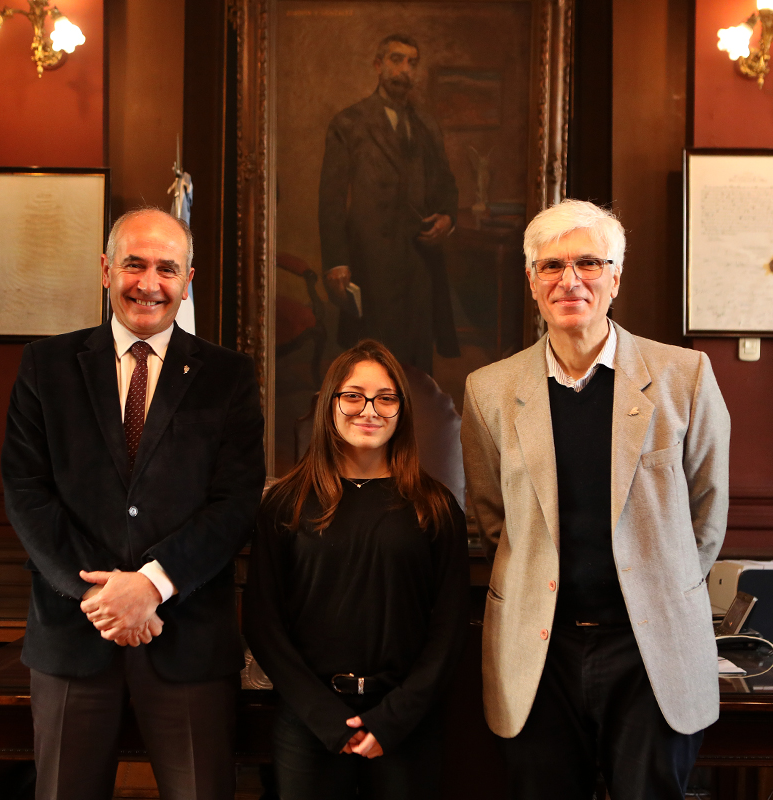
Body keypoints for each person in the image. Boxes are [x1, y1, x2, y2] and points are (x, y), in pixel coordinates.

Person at [460, 199, 730, 799]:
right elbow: (492, 521)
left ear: (615, 277)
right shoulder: (490, 391)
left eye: (587, 262)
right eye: (551, 266)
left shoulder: (684, 377)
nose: (569, 279)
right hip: (539, 650)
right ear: (532, 282)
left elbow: (707, 514)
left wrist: (662, 585)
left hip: (649, 648)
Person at [2, 208, 266, 800]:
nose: (149, 283)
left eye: (167, 269)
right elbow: (26, 492)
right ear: (105, 269)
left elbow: (235, 502)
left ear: (188, 278)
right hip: (73, 635)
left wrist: (150, 585)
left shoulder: (228, 376)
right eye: (134, 264)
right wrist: (101, 594)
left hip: (189, 639)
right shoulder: (45, 367)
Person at [244, 339, 470, 800]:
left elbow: (448, 629)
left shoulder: (436, 506)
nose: (369, 409)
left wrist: (393, 718)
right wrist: (325, 718)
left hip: (405, 725)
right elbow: (263, 621)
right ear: (331, 404)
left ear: (402, 411)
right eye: (353, 395)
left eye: (386, 397)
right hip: (310, 722)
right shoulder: (286, 503)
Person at [319, 33, 460, 374]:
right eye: (397, 60)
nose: (405, 70)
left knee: (419, 363)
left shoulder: (427, 124)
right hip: (372, 261)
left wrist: (448, 219)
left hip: (420, 261)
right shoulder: (349, 123)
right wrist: (337, 261)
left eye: (412, 63)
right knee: (374, 360)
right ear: (379, 66)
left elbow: (447, 185)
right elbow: (331, 199)